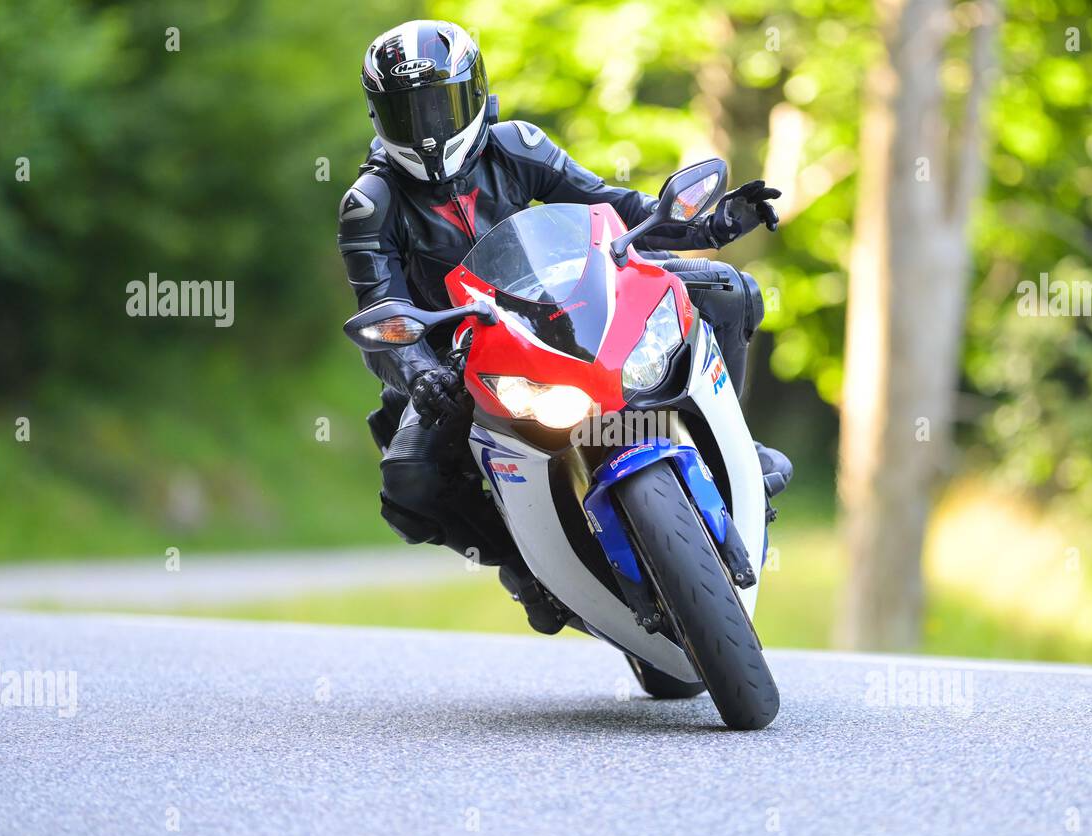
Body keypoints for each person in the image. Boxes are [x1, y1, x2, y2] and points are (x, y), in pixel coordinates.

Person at [337, 20, 792, 633]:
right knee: (408, 484)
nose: (425, 128)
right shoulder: (371, 204)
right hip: (457, 360)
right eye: (406, 111)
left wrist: (709, 228)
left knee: (732, 291)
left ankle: (732, 439)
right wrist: (419, 374)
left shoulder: (518, 145)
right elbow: (383, 312)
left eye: (437, 106)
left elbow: (619, 209)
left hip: (563, 312)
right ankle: (519, 562)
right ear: (378, 116)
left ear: (473, 96)